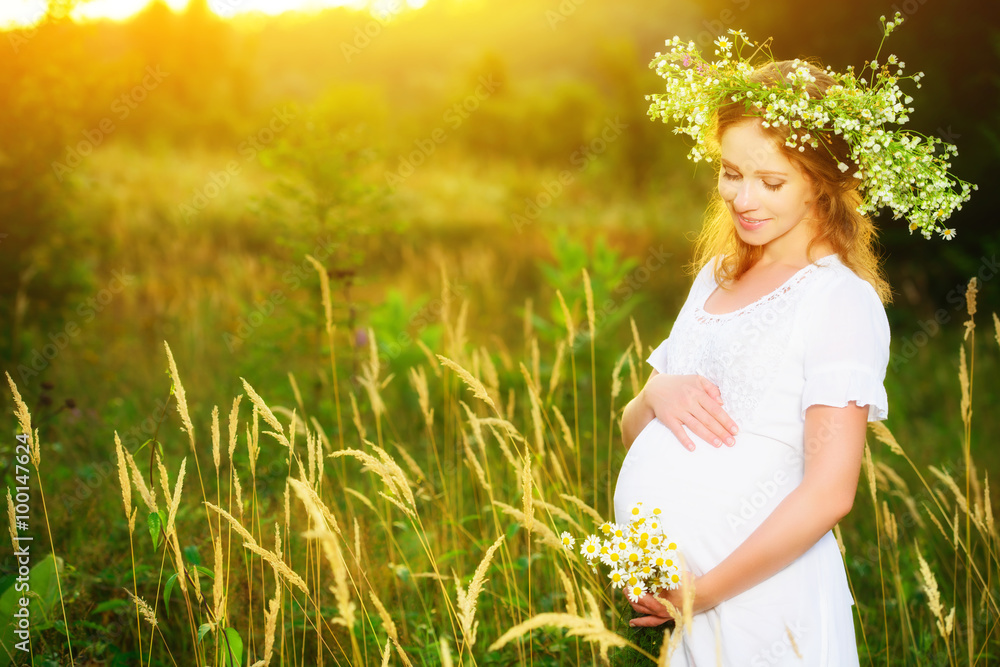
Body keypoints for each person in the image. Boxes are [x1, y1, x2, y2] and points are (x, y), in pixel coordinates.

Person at [613, 21, 973, 666]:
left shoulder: (838, 301)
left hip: (760, 607)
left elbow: (831, 491)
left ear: (822, 182)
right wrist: (653, 390)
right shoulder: (715, 279)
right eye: (730, 173)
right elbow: (635, 429)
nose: (742, 199)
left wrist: (703, 592)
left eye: (770, 182)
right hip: (687, 607)